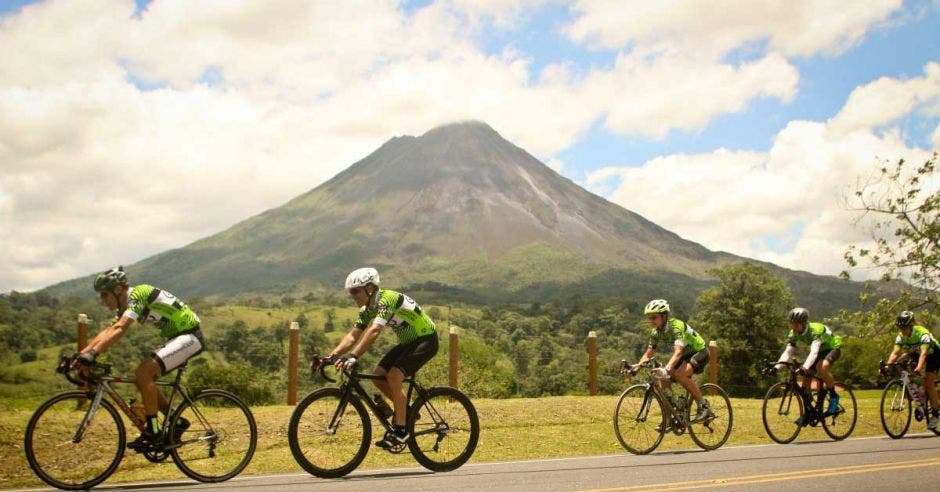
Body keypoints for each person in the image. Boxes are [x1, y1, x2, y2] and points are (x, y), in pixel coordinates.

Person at [75, 266, 204, 451]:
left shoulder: (139, 294)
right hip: (179, 337)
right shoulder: (127, 304)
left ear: (118, 290)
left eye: (104, 295)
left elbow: (120, 328)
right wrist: (84, 353)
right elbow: (110, 330)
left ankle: (153, 431)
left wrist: (93, 354)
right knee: (141, 379)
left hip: (190, 337)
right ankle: (176, 421)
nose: (103, 300)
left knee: (144, 372)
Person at [325, 267, 439, 449]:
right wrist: (330, 356)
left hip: (426, 340)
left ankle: (401, 431)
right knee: (379, 376)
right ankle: (408, 413)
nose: (352, 296)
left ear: (370, 288)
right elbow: (353, 336)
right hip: (408, 343)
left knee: (394, 376)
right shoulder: (368, 308)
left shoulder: (387, 299)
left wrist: (354, 355)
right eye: (350, 292)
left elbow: (375, 330)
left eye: (355, 291)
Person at [631, 299, 712, 422]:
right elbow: (648, 354)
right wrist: (636, 367)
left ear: (664, 316)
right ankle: (670, 416)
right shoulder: (655, 333)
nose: (651, 320)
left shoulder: (676, 327)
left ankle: (704, 406)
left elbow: (678, 352)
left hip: (699, 352)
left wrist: (667, 369)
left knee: (679, 374)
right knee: (663, 378)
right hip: (685, 355)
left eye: (654, 317)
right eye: (649, 318)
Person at [771, 307, 842, 424]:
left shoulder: (815, 331)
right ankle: (809, 412)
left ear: (804, 324)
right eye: (792, 324)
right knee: (806, 379)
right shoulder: (793, 333)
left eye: (796, 324)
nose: (793, 327)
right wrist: (776, 368)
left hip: (832, 348)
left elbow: (814, 352)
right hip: (819, 351)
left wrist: (804, 367)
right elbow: (788, 352)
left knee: (822, 367)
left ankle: (834, 397)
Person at [882, 310, 940, 429]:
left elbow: (924, 354)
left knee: (929, 383)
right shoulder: (900, 336)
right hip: (916, 353)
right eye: (900, 327)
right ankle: (918, 392)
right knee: (899, 363)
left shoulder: (922, 333)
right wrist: (888, 365)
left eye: (904, 327)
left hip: (933, 354)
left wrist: (919, 367)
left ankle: (935, 413)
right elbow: (896, 352)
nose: (902, 330)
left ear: (911, 325)